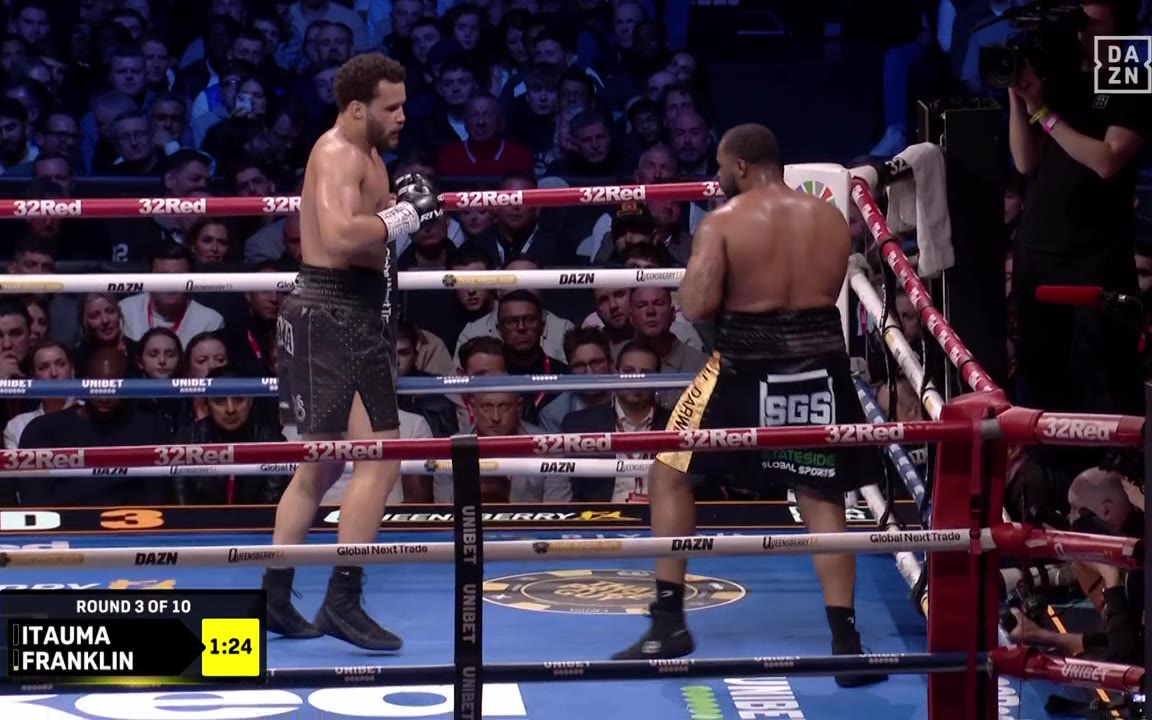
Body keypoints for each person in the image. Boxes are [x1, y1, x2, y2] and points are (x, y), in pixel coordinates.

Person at [611, 124, 888, 688]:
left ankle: (668, 623)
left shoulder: (723, 223)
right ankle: (846, 642)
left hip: (743, 365)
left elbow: (694, 305)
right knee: (821, 494)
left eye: (720, 167)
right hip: (818, 365)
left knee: (668, 470)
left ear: (739, 166)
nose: (717, 177)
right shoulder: (829, 218)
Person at [265, 52, 443, 652]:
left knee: (321, 465)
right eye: (392, 107)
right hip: (338, 313)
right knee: (381, 459)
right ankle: (342, 599)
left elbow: (375, 237)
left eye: (404, 105)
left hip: (341, 312)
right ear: (358, 107)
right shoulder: (339, 152)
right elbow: (343, 235)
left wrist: (401, 213)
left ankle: (275, 595)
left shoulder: (368, 156)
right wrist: (404, 213)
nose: (402, 116)